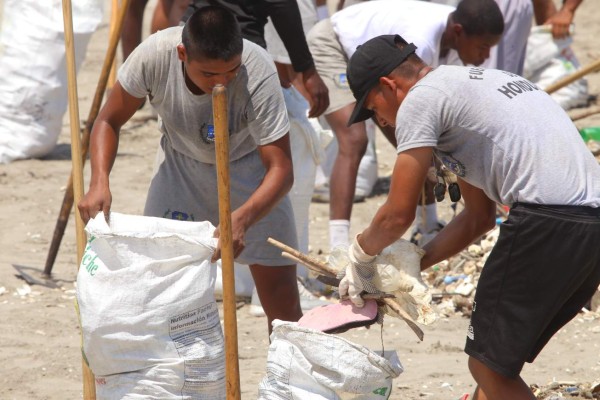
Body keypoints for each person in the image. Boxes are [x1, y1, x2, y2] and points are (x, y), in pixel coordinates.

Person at [339, 34, 600, 399]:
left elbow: (397, 216)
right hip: (590, 224)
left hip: (547, 220)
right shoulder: (469, 84)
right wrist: (410, 264)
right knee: (494, 363)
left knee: (486, 366)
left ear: (388, 85)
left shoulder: (420, 99)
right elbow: (478, 217)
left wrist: (360, 257)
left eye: (372, 109)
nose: (380, 121)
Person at [78, 6, 303, 334]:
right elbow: (108, 120)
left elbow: (282, 168)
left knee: (285, 312)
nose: (222, 83)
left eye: (231, 71)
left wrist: (242, 218)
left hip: (251, 175)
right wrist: (99, 181)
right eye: (210, 75)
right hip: (180, 170)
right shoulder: (155, 54)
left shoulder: (257, 67)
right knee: (162, 301)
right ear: (183, 54)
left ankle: (288, 381)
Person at [306, 0, 504, 249]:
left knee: (421, 148)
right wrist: (423, 155)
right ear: (458, 32)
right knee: (355, 139)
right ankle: (338, 246)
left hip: (378, 67)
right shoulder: (420, 39)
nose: (485, 57)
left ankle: (428, 227)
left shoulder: (458, 32)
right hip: (334, 43)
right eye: (483, 47)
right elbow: (414, 120)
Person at [182, 0, 330, 119]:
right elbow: (281, 4)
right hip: (239, 45)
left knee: (192, 125)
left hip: (190, 33)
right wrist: (307, 69)